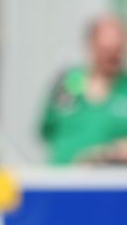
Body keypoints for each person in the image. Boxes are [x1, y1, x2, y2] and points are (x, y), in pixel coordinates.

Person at [41, 14, 127, 164]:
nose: (113, 57)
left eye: (117, 50)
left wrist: (106, 154)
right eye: (106, 50)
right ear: (91, 45)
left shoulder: (124, 88)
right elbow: (46, 128)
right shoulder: (69, 82)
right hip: (61, 181)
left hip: (110, 184)